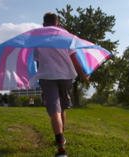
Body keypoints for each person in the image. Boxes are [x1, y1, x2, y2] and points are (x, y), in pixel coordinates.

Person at [33, 12, 90, 157]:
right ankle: (61, 140)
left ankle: (61, 149)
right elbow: (74, 57)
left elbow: (38, 61)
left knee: (55, 109)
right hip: (66, 76)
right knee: (62, 107)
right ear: (58, 24)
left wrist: (40, 75)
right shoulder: (66, 37)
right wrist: (83, 74)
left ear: (44, 25)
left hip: (47, 76)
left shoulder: (38, 40)